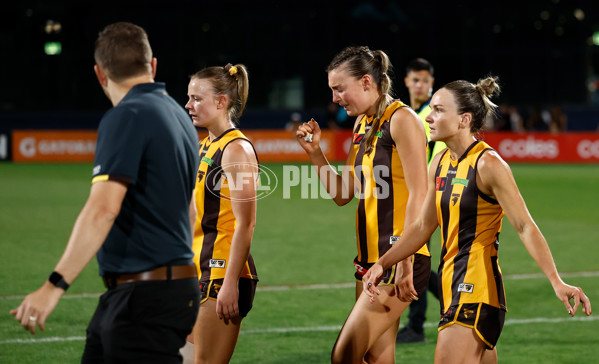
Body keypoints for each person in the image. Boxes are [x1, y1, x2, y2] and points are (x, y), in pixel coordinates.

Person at [363, 76, 592, 363]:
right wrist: (384, 263)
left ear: (464, 120)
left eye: (438, 110)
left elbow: (524, 225)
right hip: (450, 285)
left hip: (477, 290)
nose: (430, 118)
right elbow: (422, 227)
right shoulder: (440, 161)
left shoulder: (489, 164)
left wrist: (557, 281)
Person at [10, 22, 201, 363]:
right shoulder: (180, 116)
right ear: (152, 65)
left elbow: (102, 210)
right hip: (161, 290)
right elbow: (190, 213)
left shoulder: (126, 115)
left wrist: (53, 286)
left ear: (100, 74)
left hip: (144, 296)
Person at [296, 46, 429, 363]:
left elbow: (420, 194)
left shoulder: (402, 120)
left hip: (397, 259)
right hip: (369, 262)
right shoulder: (361, 125)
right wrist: (316, 154)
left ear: (367, 82)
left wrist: (405, 260)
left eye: (339, 88)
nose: (335, 98)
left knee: (345, 354)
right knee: (375, 357)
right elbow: (343, 193)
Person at [183, 63, 259, 364]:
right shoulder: (205, 146)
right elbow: (193, 216)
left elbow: (247, 224)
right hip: (198, 271)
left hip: (221, 276)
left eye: (196, 98)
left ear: (221, 102)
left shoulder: (237, 150)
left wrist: (229, 285)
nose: (188, 105)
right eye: (189, 97)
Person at [397, 57, 445, 343]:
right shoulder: (412, 114)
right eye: (415, 80)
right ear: (407, 82)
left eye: (425, 80)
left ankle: (416, 327)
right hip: (413, 197)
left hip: (425, 198)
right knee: (418, 260)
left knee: (416, 260)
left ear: (431, 83)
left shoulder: (430, 116)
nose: (420, 85)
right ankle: (452, 299)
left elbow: (437, 159)